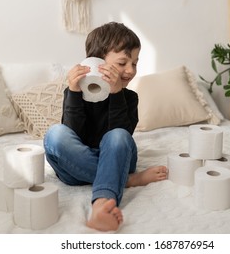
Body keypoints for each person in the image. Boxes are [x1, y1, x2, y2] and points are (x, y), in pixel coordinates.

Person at [43, 22, 167, 232]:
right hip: (75, 168)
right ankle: (127, 180)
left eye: (135, 63)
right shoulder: (75, 93)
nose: (130, 70)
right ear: (97, 62)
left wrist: (116, 93)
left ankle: (101, 204)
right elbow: (75, 135)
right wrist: (74, 92)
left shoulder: (129, 97)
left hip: (118, 158)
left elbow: (122, 137)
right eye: (122, 63)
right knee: (55, 134)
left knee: (118, 135)